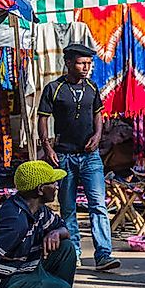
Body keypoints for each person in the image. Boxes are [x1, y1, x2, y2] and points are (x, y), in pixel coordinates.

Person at [38, 43, 120, 271]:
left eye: (89, 63)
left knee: (98, 205)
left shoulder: (92, 88)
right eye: (81, 63)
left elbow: (98, 114)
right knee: (68, 207)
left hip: (90, 157)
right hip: (63, 156)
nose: (86, 67)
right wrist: (47, 147)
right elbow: (43, 119)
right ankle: (73, 254)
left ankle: (103, 255)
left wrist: (98, 134)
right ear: (68, 63)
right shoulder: (53, 88)